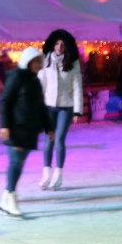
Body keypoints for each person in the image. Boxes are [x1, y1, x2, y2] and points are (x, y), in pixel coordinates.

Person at [0, 47, 53, 218]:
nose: (39, 64)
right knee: (16, 163)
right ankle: (11, 198)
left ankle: (5, 198)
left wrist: (48, 127)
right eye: (37, 61)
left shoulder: (35, 81)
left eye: (40, 61)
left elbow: (41, 107)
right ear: (28, 61)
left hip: (30, 129)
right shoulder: (17, 78)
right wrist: (5, 125)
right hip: (16, 127)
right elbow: (4, 101)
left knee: (19, 163)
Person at [37, 29, 83, 190]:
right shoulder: (46, 60)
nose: (59, 47)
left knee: (59, 139)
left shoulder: (73, 62)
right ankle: (46, 173)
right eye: (56, 43)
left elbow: (77, 86)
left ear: (67, 46)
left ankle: (59, 173)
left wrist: (77, 110)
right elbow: (41, 83)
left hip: (66, 106)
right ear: (52, 44)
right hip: (49, 106)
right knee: (49, 140)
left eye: (62, 44)